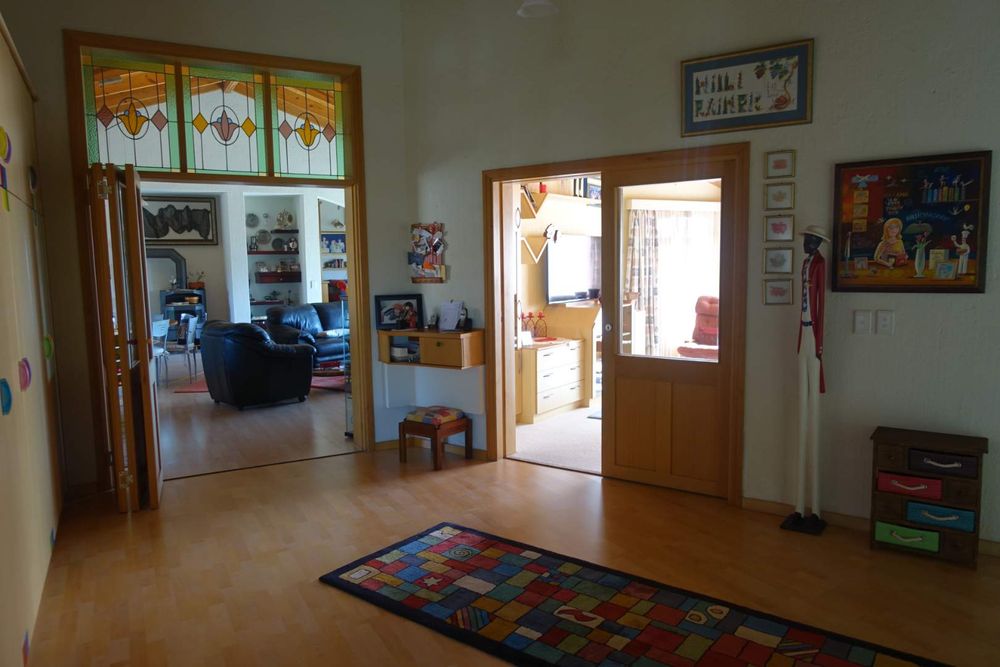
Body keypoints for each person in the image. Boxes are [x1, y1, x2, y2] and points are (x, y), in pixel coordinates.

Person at [782, 225, 830, 536]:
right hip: (803, 331)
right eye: (805, 239)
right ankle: (798, 507)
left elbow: (821, 303)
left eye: (810, 240)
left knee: (812, 417)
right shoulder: (804, 264)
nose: (805, 244)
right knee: (800, 410)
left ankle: (815, 509)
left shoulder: (820, 265)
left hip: (814, 335)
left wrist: (819, 344)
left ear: (818, 243)